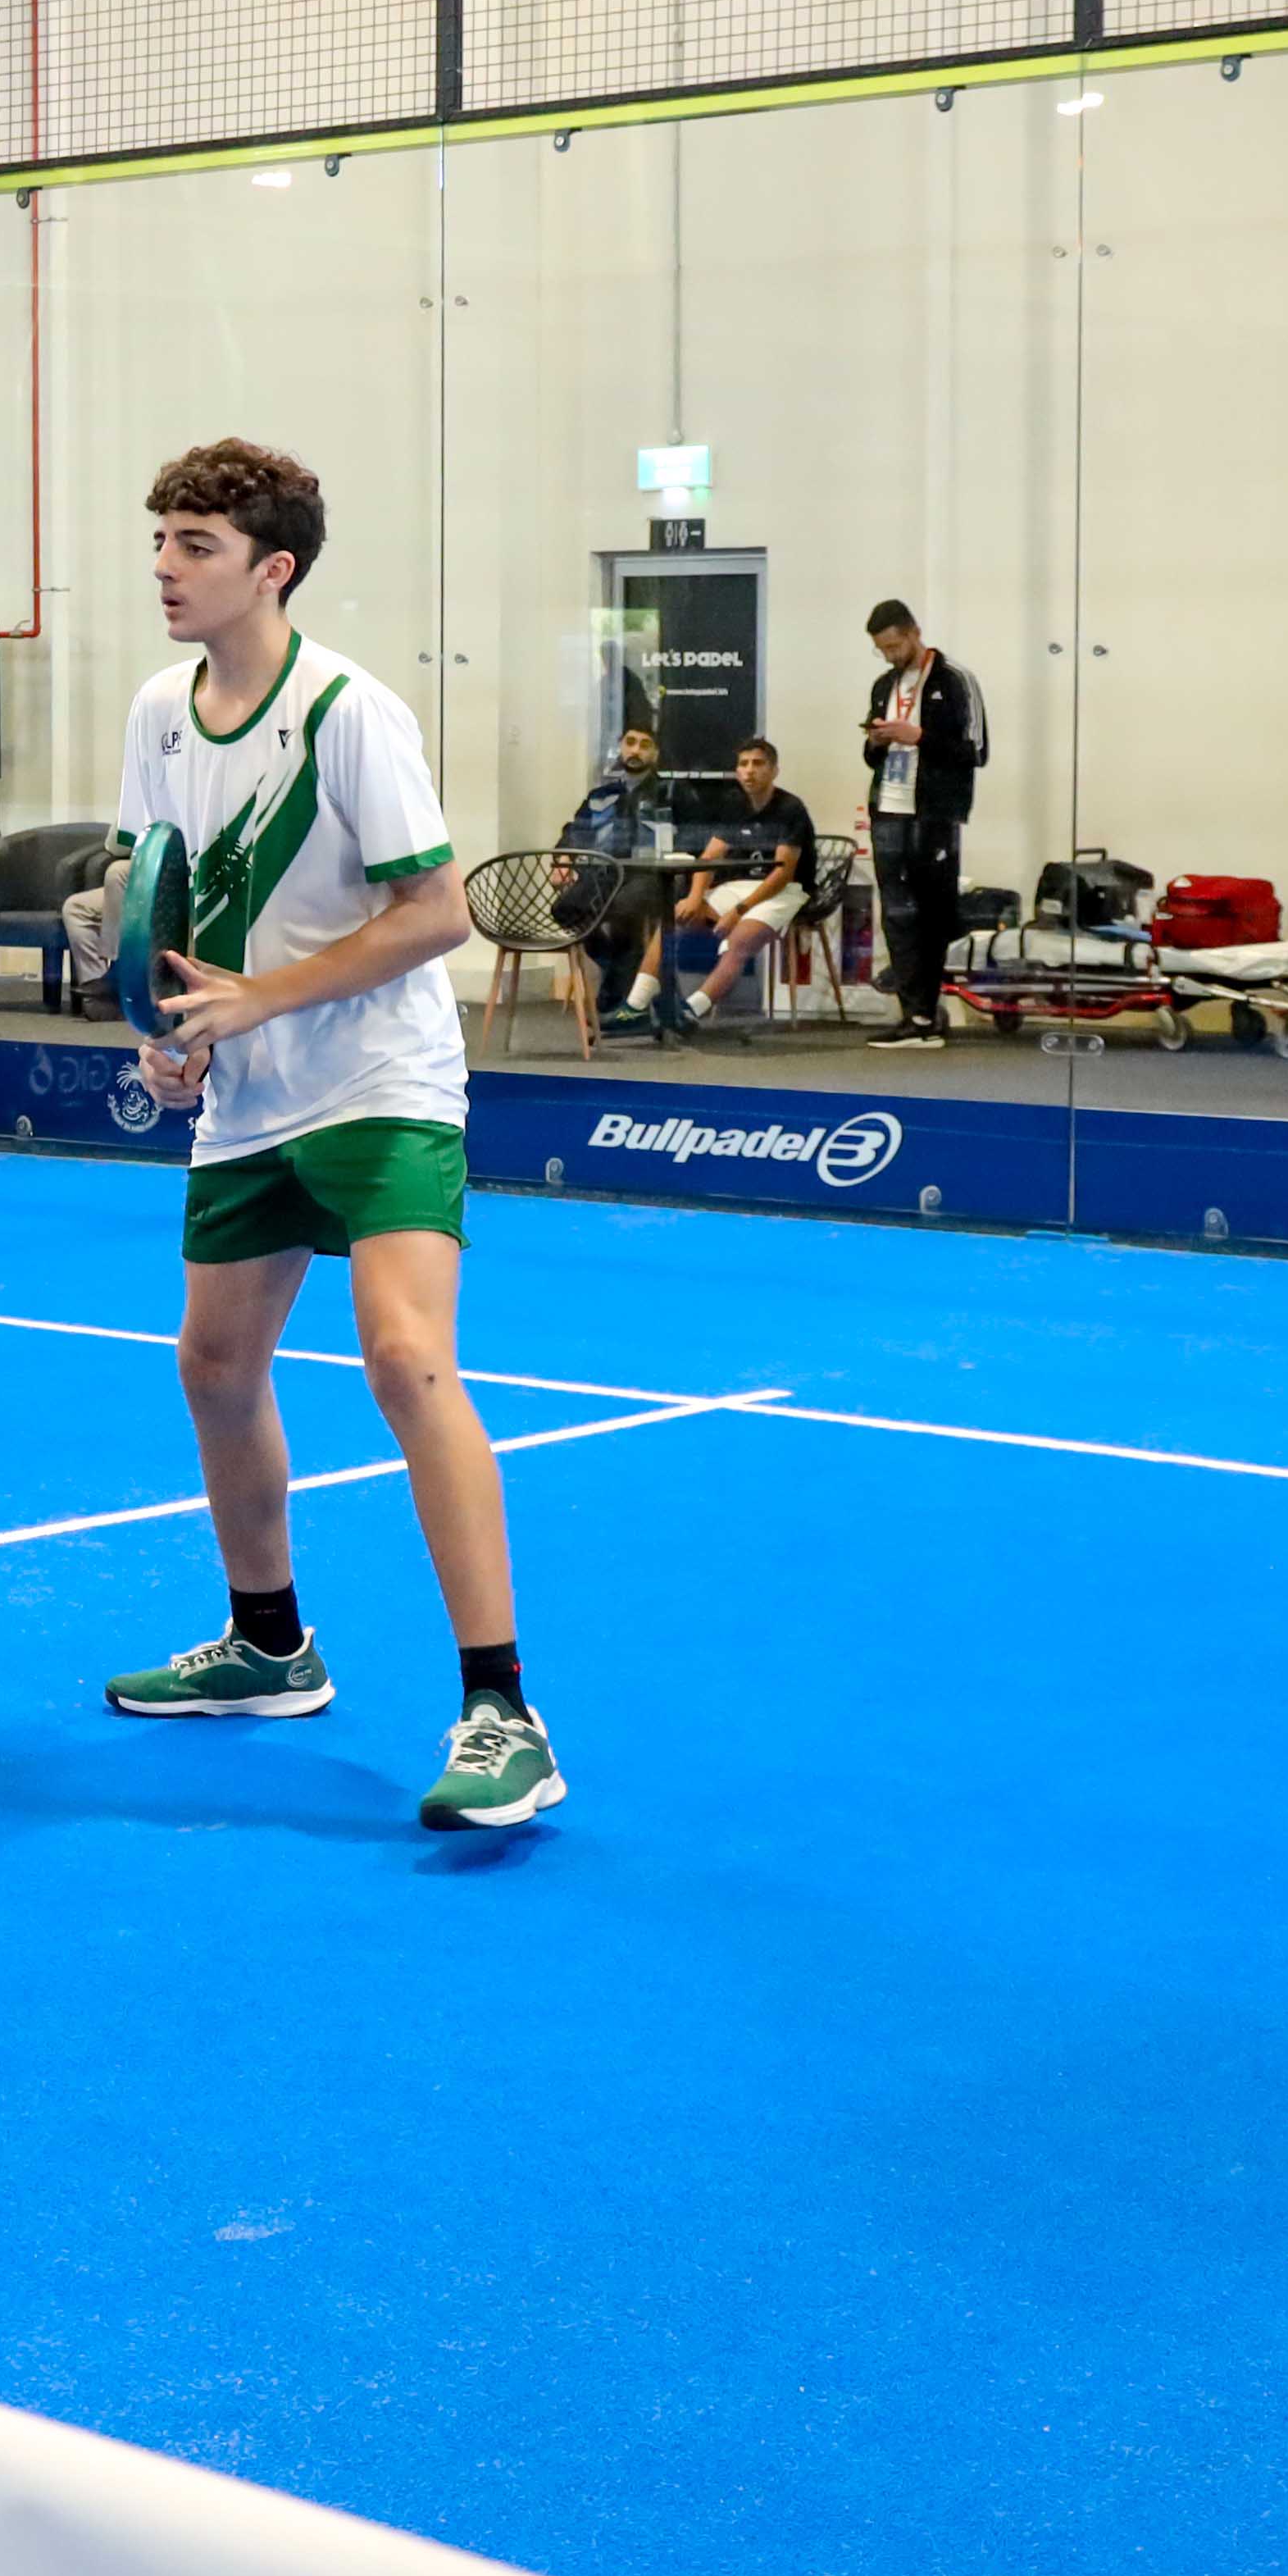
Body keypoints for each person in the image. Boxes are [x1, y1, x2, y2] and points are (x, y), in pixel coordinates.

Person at [92, 439, 558, 1837]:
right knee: (215, 1364)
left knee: (408, 1360)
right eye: (162, 540)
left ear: (272, 568)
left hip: (381, 1082)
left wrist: (263, 997)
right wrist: (169, 1030)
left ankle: (504, 1713)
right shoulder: (157, 715)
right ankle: (270, 1646)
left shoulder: (350, 713)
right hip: (247, 1095)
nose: (165, 567)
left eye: (195, 546)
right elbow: (155, 904)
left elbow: (437, 912)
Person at [853, 601, 985, 1053]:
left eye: (894, 646)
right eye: (881, 649)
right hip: (888, 808)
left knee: (933, 913)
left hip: (934, 814)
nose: (890, 655)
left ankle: (928, 1013)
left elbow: (976, 750)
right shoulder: (883, 686)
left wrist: (920, 737)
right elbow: (870, 757)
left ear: (914, 633)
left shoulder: (955, 680)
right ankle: (913, 1015)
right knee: (897, 914)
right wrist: (876, 741)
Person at [649, 737, 822, 1035]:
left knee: (740, 940)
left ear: (774, 770)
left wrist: (738, 912)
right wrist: (695, 897)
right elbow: (710, 856)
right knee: (673, 918)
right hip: (739, 885)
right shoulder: (733, 803)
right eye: (743, 764)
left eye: (758, 764)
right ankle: (635, 1005)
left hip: (785, 890)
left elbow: (782, 873)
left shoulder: (790, 808)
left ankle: (691, 1012)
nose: (749, 771)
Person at [544, 724, 673, 1019]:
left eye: (644, 745)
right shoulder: (600, 795)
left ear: (655, 754)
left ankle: (616, 994)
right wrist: (563, 859)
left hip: (649, 876)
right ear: (621, 748)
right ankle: (618, 969)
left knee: (624, 911)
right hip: (602, 873)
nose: (636, 750)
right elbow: (575, 831)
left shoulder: (670, 793)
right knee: (566, 908)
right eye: (631, 743)